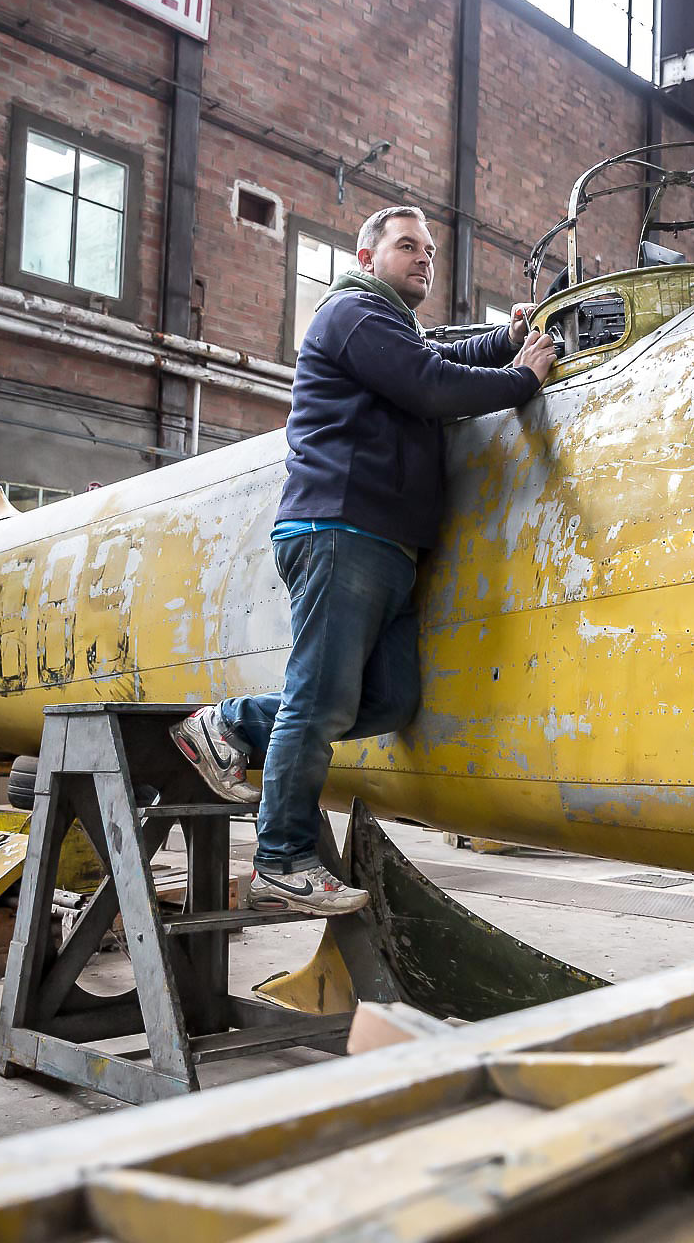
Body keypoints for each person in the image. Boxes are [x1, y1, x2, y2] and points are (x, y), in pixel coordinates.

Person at [173, 205, 557, 916]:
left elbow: (434, 367)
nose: (424, 259)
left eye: (431, 251)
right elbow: (433, 388)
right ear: (365, 254)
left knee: (388, 701)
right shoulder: (350, 313)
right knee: (319, 702)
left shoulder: (390, 331)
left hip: (384, 544)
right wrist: (523, 379)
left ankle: (228, 725)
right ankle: (281, 859)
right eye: (408, 246)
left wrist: (505, 341)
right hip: (338, 529)